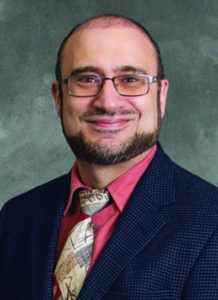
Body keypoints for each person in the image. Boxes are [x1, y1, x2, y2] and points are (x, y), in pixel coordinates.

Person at [1, 14, 218, 300]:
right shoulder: (17, 217)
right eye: (87, 79)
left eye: (130, 79)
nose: (107, 101)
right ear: (58, 98)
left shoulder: (211, 222)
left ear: (160, 96)